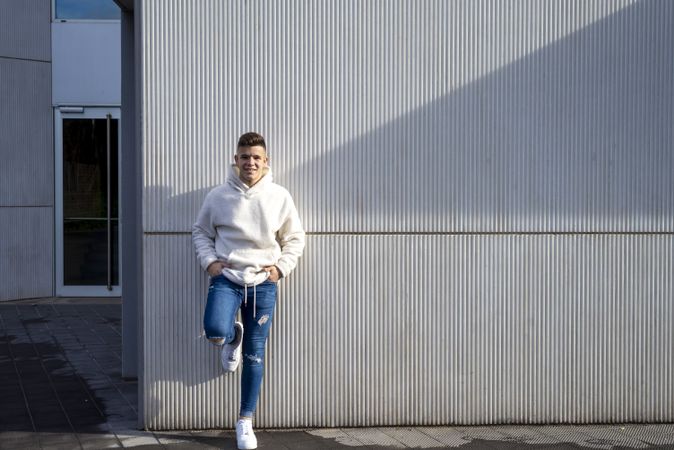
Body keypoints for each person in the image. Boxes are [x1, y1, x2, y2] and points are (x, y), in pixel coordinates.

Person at [192, 132, 305, 450]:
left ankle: (244, 422)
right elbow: (200, 230)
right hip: (226, 278)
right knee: (214, 330)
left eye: (256, 157)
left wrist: (280, 268)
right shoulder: (218, 196)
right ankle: (231, 338)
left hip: (264, 284)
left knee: (255, 357)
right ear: (235, 159)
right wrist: (210, 262)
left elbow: (295, 237)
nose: (250, 162)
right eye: (244, 156)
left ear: (266, 161)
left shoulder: (279, 196)